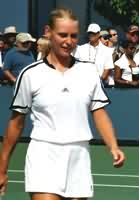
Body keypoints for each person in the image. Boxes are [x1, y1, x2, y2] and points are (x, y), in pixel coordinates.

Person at [0, 8, 125, 200]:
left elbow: (99, 113)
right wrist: (2, 168)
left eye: (74, 36)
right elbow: (16, 123)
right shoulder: (30, 74)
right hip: (44, 154)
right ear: (48, 32)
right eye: (62, 35)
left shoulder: (89, 72)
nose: (69, 41)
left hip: (79, 156)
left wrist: (113, 146)